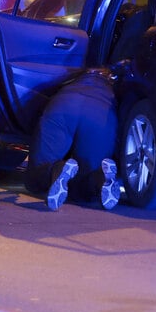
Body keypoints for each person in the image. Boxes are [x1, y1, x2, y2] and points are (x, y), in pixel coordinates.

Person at [24, 67, 122, 211]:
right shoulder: (120, 80)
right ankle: (100, 179)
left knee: (36, 175)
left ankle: (57, 169)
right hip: (100, 112)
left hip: (64, 104)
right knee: (84, 185)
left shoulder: (75, 73)